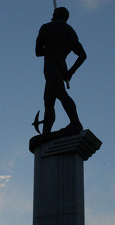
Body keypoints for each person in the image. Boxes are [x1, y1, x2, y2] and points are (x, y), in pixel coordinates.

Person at [35, 7, 87, 135]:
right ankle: (46, 132)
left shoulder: (46, 27)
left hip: (51, 65)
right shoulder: (69, 31)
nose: (51, 15)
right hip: (61, 66)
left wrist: (48, 49)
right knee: (48, 100)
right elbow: (82, 55)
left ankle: (75, 123)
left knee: (60, 94)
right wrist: (70, 72)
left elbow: (37, 52)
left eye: (53, 13)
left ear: (56, 14)